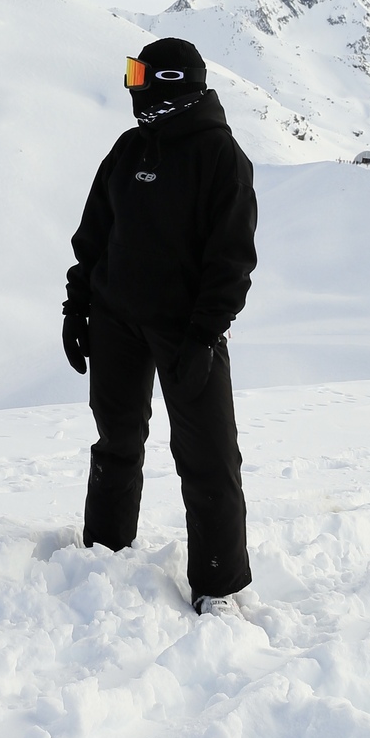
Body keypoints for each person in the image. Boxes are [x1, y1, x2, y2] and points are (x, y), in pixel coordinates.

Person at [62, 36, 258, 613]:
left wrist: (203, 335)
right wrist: (79, 309)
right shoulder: (129, 150)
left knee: (208, 456)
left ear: (170, 82)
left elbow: (232, 259)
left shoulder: (222, 158)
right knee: (117, 443)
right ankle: (105, 552)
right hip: (116, 320)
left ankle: (218, 586)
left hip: (185, 331)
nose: (133, 84)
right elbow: (93, 240)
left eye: (140, 73)